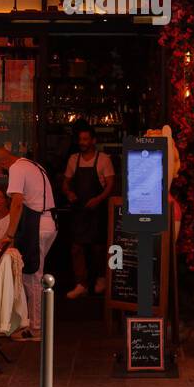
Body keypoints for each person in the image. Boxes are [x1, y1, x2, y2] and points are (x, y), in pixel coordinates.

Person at [0, 145, 57, 342]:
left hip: (38, 225)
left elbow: (17, 202)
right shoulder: (33, 165)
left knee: (32, 276)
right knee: (32, 274)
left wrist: (10, 234)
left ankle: (36, 329)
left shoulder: (17, 168)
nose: (0, 173)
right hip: (48, 222)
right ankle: (33, 324)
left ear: (3, 162)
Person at [62, 124, 115, 299]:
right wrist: (69, 193)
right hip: (79, 211)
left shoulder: (104, 160)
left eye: (86, 139)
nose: (82, 143)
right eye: (80, 139)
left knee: (98, 248)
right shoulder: (73, 159)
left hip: (97, 211)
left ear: (93, 140)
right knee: (76, 248)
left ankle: (101, 278)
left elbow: (110, 185)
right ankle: (81, 284)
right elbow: (66, 183)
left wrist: (98, 199)